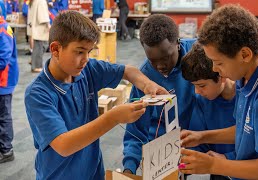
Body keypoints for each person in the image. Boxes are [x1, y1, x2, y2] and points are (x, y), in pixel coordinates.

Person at [24, 11, 167, 179]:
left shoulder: (87, 69)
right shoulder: (38, 93)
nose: (86, 59)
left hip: (93, 172)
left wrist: (148, 85)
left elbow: (129, 71)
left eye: (89, 51)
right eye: (79, 52)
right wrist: (113, 118)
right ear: (55, 49)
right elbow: (64, 145)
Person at [179, 5, 258, 180]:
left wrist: (214, 165)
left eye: (219, 63)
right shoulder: (243, 79)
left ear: (245, 55)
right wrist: (202, 137)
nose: (215, 69)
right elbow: (247, 130)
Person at [122, 14, 196, 175]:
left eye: (166, 57)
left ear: (178, 43)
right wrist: (129, 167)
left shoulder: (198, 55)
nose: (160, 66)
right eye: (152, 61)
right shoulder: (144, 77)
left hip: (199, 141)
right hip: (162, 151)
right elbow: (135, 130)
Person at [181, 43, 236, 180]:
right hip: (218, 171)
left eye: (202, 85)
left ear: (221, 76)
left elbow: (257, 145)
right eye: (194, 86)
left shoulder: (247, 98)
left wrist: (228, 158)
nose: (197, 92)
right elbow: (199, 141)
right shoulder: (202, 100)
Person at [0, 11, 18, 163]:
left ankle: (7, 150)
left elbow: (3, 59)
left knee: (4, 115)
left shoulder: (3, 29)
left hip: (3, 82)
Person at [28, 0, 50, 73]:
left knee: (37, 46)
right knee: (40, 47)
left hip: (35, 26)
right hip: (40, 27)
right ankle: (37, 66)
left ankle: (34, 63)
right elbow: (43, 16)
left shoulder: (34, 1)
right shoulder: (41, 1)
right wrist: (48, 24)